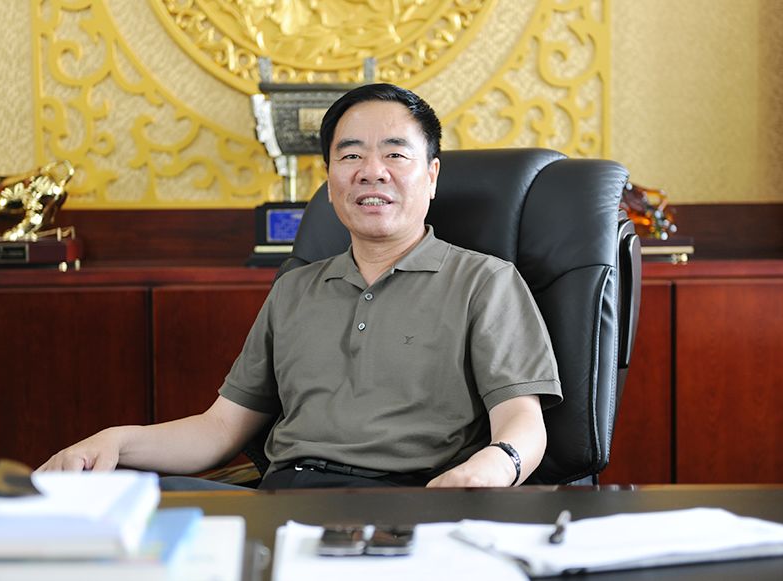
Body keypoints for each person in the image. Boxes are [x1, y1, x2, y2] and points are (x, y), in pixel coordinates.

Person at [38, 83, 562, 489]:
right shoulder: (295, 289)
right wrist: (115, 442)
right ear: (330, 180)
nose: (371, 171)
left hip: (410, 499)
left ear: (431, 176)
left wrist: (497, 464)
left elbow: (522, 420)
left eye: (396, 154)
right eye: (350, 155)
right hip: (284, 494)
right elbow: (220, 430)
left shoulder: (485, 281)